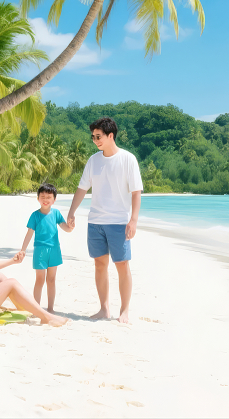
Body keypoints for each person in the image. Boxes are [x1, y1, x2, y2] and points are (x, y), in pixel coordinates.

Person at [67, 117, 143, 323]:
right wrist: (72, 211)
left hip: (119, 222)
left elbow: (137, 192)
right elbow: (82, 188)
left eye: (98, 136)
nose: (95, 140)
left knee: (121, 265)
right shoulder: (93, 161)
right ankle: (104, 309)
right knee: (100, 265)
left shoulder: (128, 159)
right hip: (96, 222)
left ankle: (124, 310)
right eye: (93, 137)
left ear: (111, 136)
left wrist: (133, 220)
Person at [19, 183, 73, 312]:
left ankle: (50, 308)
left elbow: (65, 228)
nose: (45, 199)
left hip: (54, 250)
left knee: (51, 279)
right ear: (38, 198)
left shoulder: (56, 213)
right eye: (42, 196)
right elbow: (29, 234)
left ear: (54, 200)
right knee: (40, 279)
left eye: (49, 197)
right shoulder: (35, 215)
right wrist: (23, 249)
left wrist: (71, 227)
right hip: (40, 250)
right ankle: (36, 308)